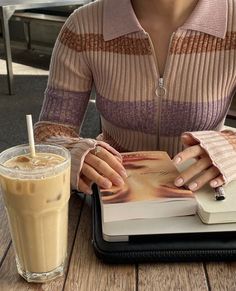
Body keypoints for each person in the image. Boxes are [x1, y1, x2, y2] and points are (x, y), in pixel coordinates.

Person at [34, 0, 236, 195]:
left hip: (206, 193)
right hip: (115, 189)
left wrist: (229, 149)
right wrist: (73, 153)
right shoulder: (83, 26)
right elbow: (49, 131)